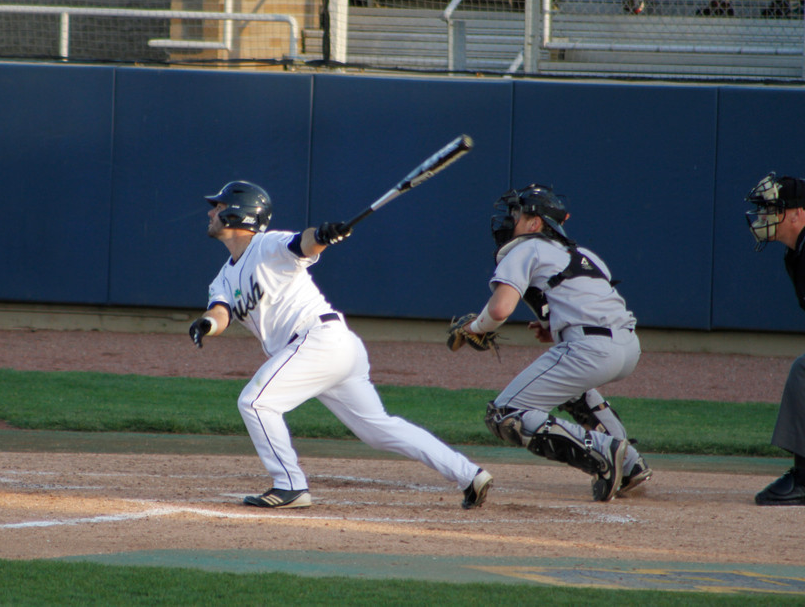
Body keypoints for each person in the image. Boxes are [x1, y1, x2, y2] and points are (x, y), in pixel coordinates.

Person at [189, 180, 493, 510]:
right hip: (329, 346)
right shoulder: (223, 278)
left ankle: (290, 485)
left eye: (218, 207)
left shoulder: (267, 245)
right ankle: (469, 475)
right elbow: (220, 312)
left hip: (317, 340)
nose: (211, 212)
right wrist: (207, 324)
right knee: (378, 429)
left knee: (255, 402)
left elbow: (304, 243)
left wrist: (322, 235)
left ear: (238, 213)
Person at [454, 184, 650, 502]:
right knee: (573, 391)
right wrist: (553, 326)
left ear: (535, 223)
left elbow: (500, 309)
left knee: (505, 414)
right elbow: (586, 300)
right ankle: (629, 463)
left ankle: (604, 453)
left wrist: (474, 328)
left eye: (517, 214)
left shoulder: (525, 248)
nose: (510, 220)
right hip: (628, 347)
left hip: (591, 350)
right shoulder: (585, 255)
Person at [744, 172, 805, 506]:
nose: (765, 216)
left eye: (774, 209)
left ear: (798, 214)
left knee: (803, 371)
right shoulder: (797, 252)